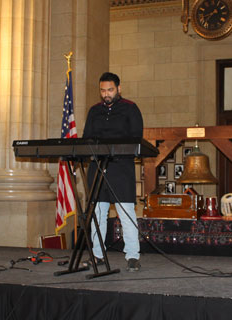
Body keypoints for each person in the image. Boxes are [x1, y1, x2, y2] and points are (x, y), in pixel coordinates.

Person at [82, 72, 143, 272]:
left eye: (110, 90)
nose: (106, 94)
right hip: (97, 168)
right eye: (103, 90)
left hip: (121, 169)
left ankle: (133, 256)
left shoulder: (130, 109)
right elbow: (87, 139)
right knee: (97, 214)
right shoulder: (94, 111)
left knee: (126, 214)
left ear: (119, 88)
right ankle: (98, 255)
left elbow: (136, 138)